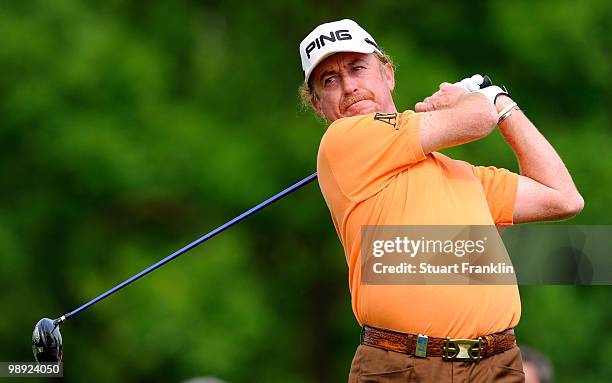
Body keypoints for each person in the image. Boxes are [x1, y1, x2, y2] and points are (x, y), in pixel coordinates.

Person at [298, 19, 583, 382]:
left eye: (357, 68)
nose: (349, 86)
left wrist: (502, 102)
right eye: (329, 81)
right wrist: (475, 98)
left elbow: (563, 197)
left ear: (387, 74)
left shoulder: (461, 174)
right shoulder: (343, 141)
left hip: (495, 365)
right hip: (402, 366)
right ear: (320, 106)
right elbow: (478, 119)